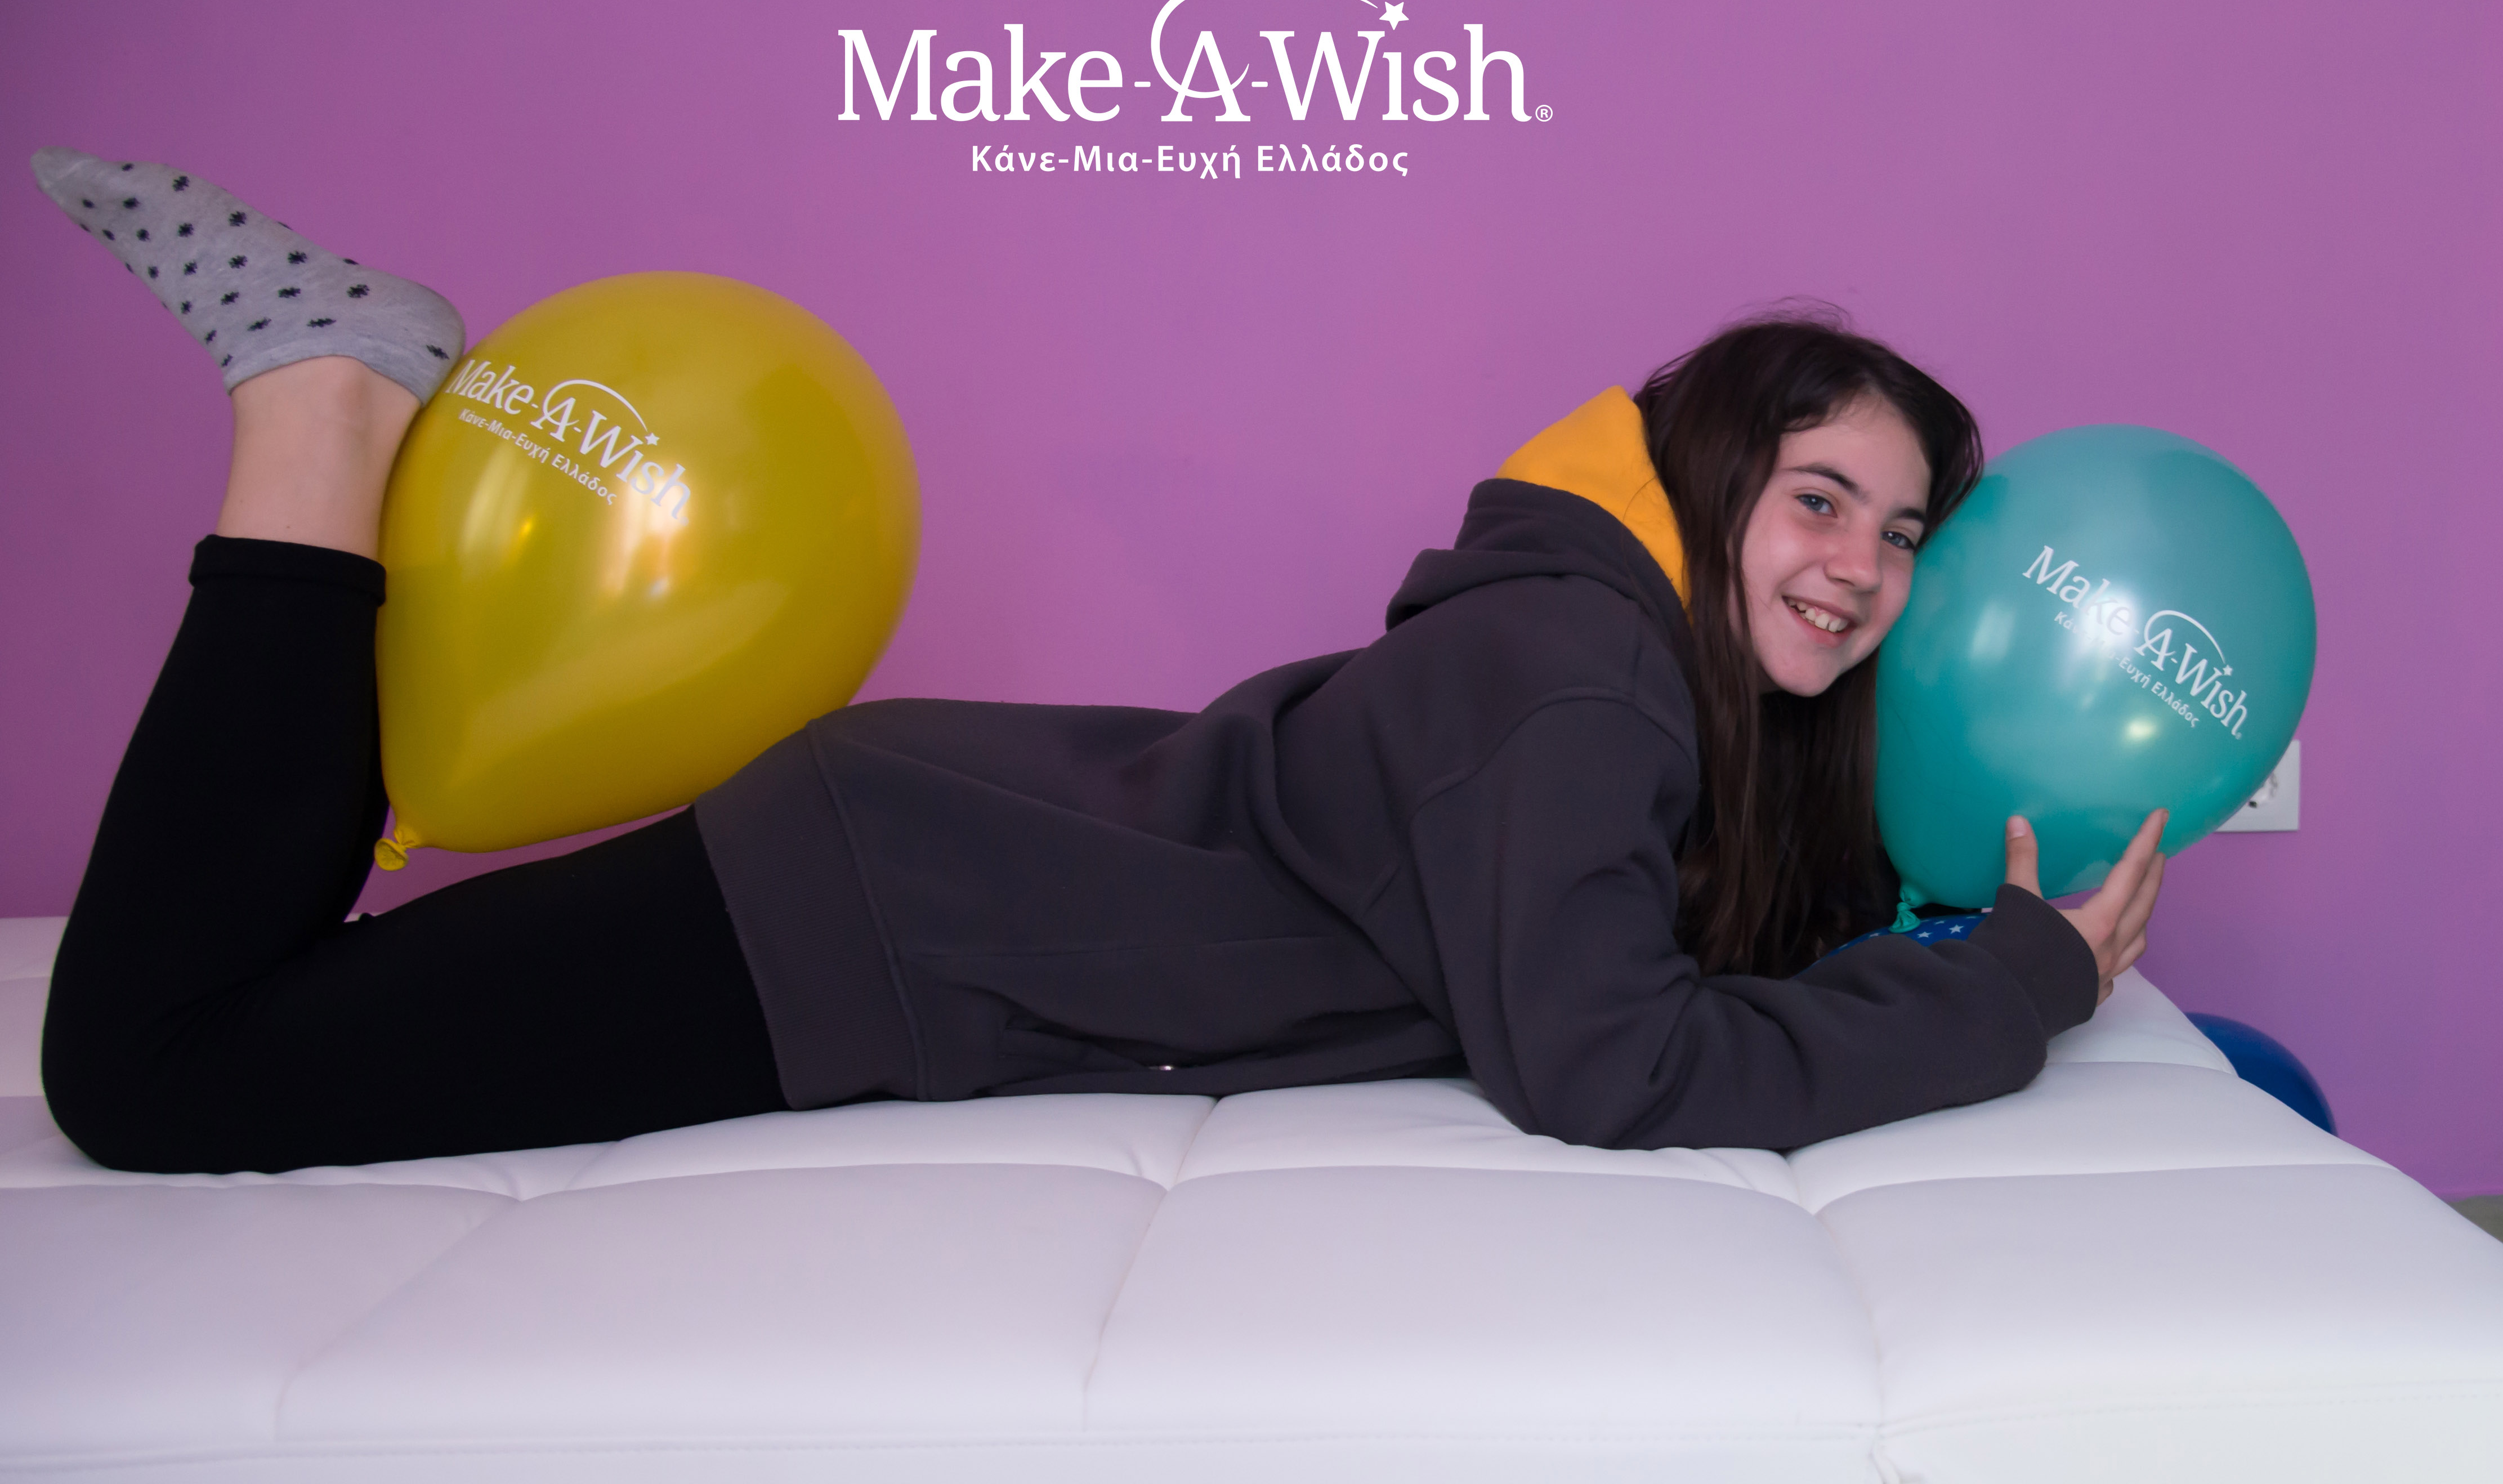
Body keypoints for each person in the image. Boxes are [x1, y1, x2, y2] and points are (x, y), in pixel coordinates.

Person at [32, 150, 2166, 1176]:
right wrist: (2016, 986)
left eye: (1900, 534)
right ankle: (325, 407)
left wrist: (1936, 920)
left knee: (253, 1025)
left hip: (918, 881)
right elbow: (1614, 1069)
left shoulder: (1604, 667)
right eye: (1815, 499)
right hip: (888, 912)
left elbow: (1650, 969)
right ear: (1704, 486)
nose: (1857, 570)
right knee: (158, 1078)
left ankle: (340, 414)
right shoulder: (1578, 683)